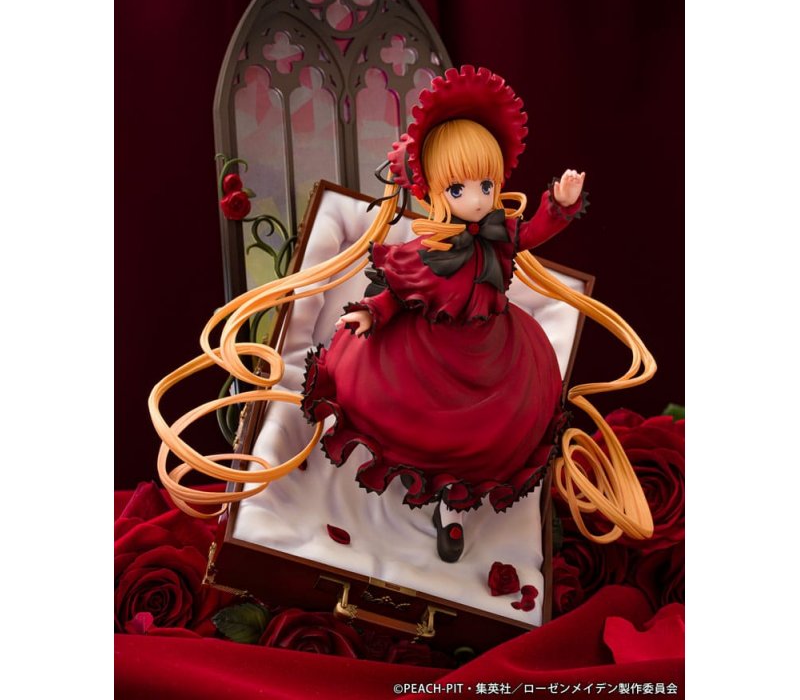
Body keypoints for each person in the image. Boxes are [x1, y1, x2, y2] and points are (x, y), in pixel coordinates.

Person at [150, 66, 655, 557]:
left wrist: (560, 204)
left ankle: (452, 507)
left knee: (489, 436)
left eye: (486, 186)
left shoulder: (499, 235)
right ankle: (377, 481)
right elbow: (399, 291)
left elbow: (535, 231)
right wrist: (370, 313)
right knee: (394, 409)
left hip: (493, 357)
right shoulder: (429, 250)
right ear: (434, 190)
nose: (477, 200)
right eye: (458, 189)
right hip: (423, 356)